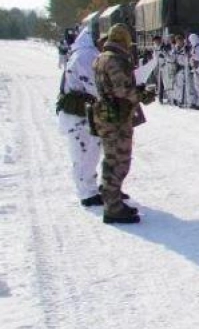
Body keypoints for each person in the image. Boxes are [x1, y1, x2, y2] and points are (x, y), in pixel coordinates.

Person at [92, 24, 152, 224]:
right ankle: (113, 207)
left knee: (111, 159)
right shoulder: (115, 60)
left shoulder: (101, 57)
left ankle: (112, 200)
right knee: (119, 161)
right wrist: (143, 94)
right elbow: (122, 90)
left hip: (107, 114)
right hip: (116, 117)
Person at [56, 27, 102, 206]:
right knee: (83, 153)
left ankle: (89, 188)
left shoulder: (83, 53)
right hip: (78, 116)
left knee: (90, 152)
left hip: (83, 114)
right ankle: (86, 193)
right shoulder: (84, 56)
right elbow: (93, 85)